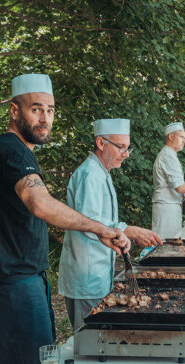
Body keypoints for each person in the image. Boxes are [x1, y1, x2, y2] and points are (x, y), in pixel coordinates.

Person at [0, 74, 130, 364]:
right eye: (36, 109)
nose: (45, 119)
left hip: (8, 283)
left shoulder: (0, 151)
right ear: (15, 111)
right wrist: (99, 228)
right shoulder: (12, 150)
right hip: (11, 286)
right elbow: (39, 202)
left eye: (51, 110)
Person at [58, 119, 163, 332]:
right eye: (120, 147)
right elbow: (89, 224)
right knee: (89, 341)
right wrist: (129, 231)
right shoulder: (89, 175)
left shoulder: (101, 172)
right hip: (86, 276)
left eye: (128, 148)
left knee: (99, 338)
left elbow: (101, 221)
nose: (126, 154)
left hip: (98, 274)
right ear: (100, 142)